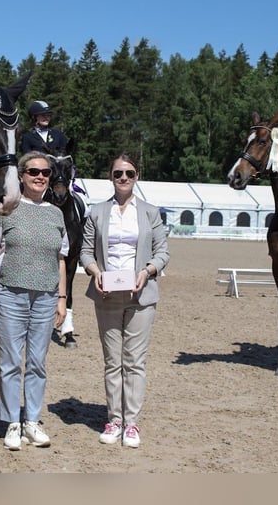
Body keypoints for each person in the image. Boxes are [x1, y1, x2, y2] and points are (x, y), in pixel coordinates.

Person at [0, 151, 68, 450]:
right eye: (33, 171)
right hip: (10, 294)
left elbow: (61, 260)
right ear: (21, 175)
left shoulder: (56, 214)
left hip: (46, 296)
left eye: (45, 172)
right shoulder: (3, 210)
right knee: (10, 362)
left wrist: (62, 298)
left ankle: (32, 420)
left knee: (37, 362)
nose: (40, 176)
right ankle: (11, 423)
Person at [79, 154, 170, 449]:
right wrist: (96, 272)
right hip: (107, 294)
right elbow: (86, 252)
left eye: (129, 173)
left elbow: (162, 252)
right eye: (118, 173)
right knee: (112, 361)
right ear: (110, 177)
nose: (123, 178)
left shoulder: (150, 212)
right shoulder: (96, 212)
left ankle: (131, 423)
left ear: (137, 176)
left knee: (135, 362)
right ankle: (113, 419)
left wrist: (147, 271)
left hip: (141, 294)